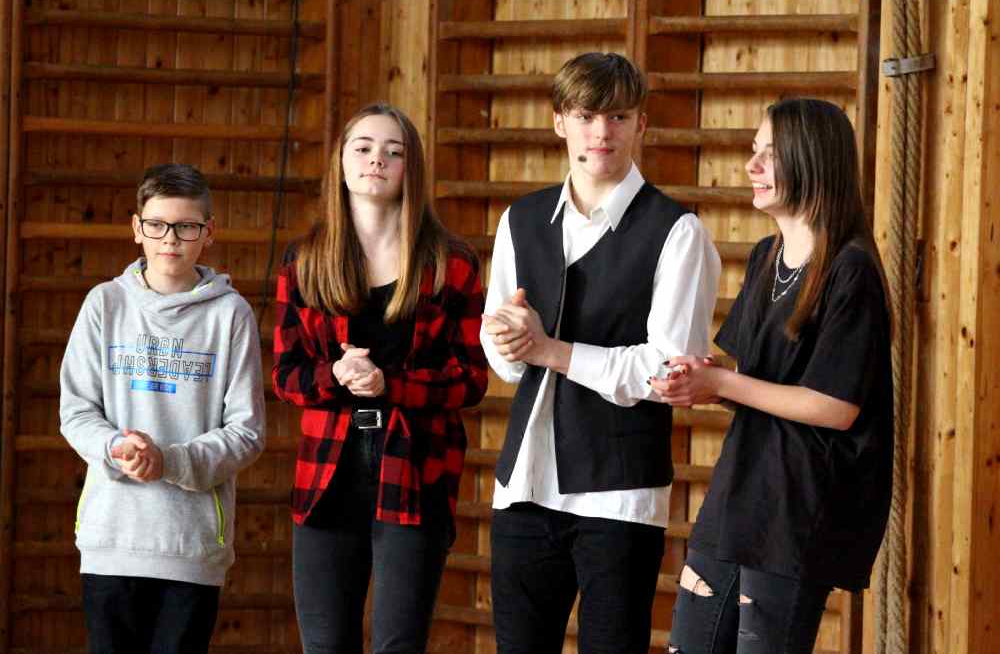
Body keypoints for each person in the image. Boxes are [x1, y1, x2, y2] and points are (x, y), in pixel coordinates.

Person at [481, 52, 721, 653]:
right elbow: (504, 357)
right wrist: (510, 342)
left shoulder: (677, 231)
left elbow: (668, 369)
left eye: (617, 116)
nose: (601, 132)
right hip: (523, 488)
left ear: (641, 124)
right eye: (586, 116)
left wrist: (553, 350)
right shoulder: (520, 219)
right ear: (560, 121)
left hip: (620, 495)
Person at [653, 98, 894, 654]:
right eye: (753, 151)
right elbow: (754, 379)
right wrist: (704, 378)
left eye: (770, 154)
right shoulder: (768, 255)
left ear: (812, 160)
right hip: (741, 494)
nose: (752, 166)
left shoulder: (851, 269)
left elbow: (835, 406)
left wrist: (724, 385)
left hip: (797, 508)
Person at [272, 102, 488, 654]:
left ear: (411, 169)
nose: (377, 160)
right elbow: (286, 376)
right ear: (341, 162)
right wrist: (335, 374)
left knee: (398, 645)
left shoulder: (451, 263)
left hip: (415, 467)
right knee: (326, 645)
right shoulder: (304, 261)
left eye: (394, 152)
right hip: (327, 473)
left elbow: (471, 380)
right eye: (364, 148)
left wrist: (391, 386)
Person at [59, 163, 267, 654]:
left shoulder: (231, 314)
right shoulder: (104, 304)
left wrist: (168, 461)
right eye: (157, 225)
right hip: (111, 542)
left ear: (208, 232)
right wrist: (118, 446)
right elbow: (76, 411)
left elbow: (247, 431)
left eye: (186, 226)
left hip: (190, 547)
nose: (170, 238)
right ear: (137, 228)